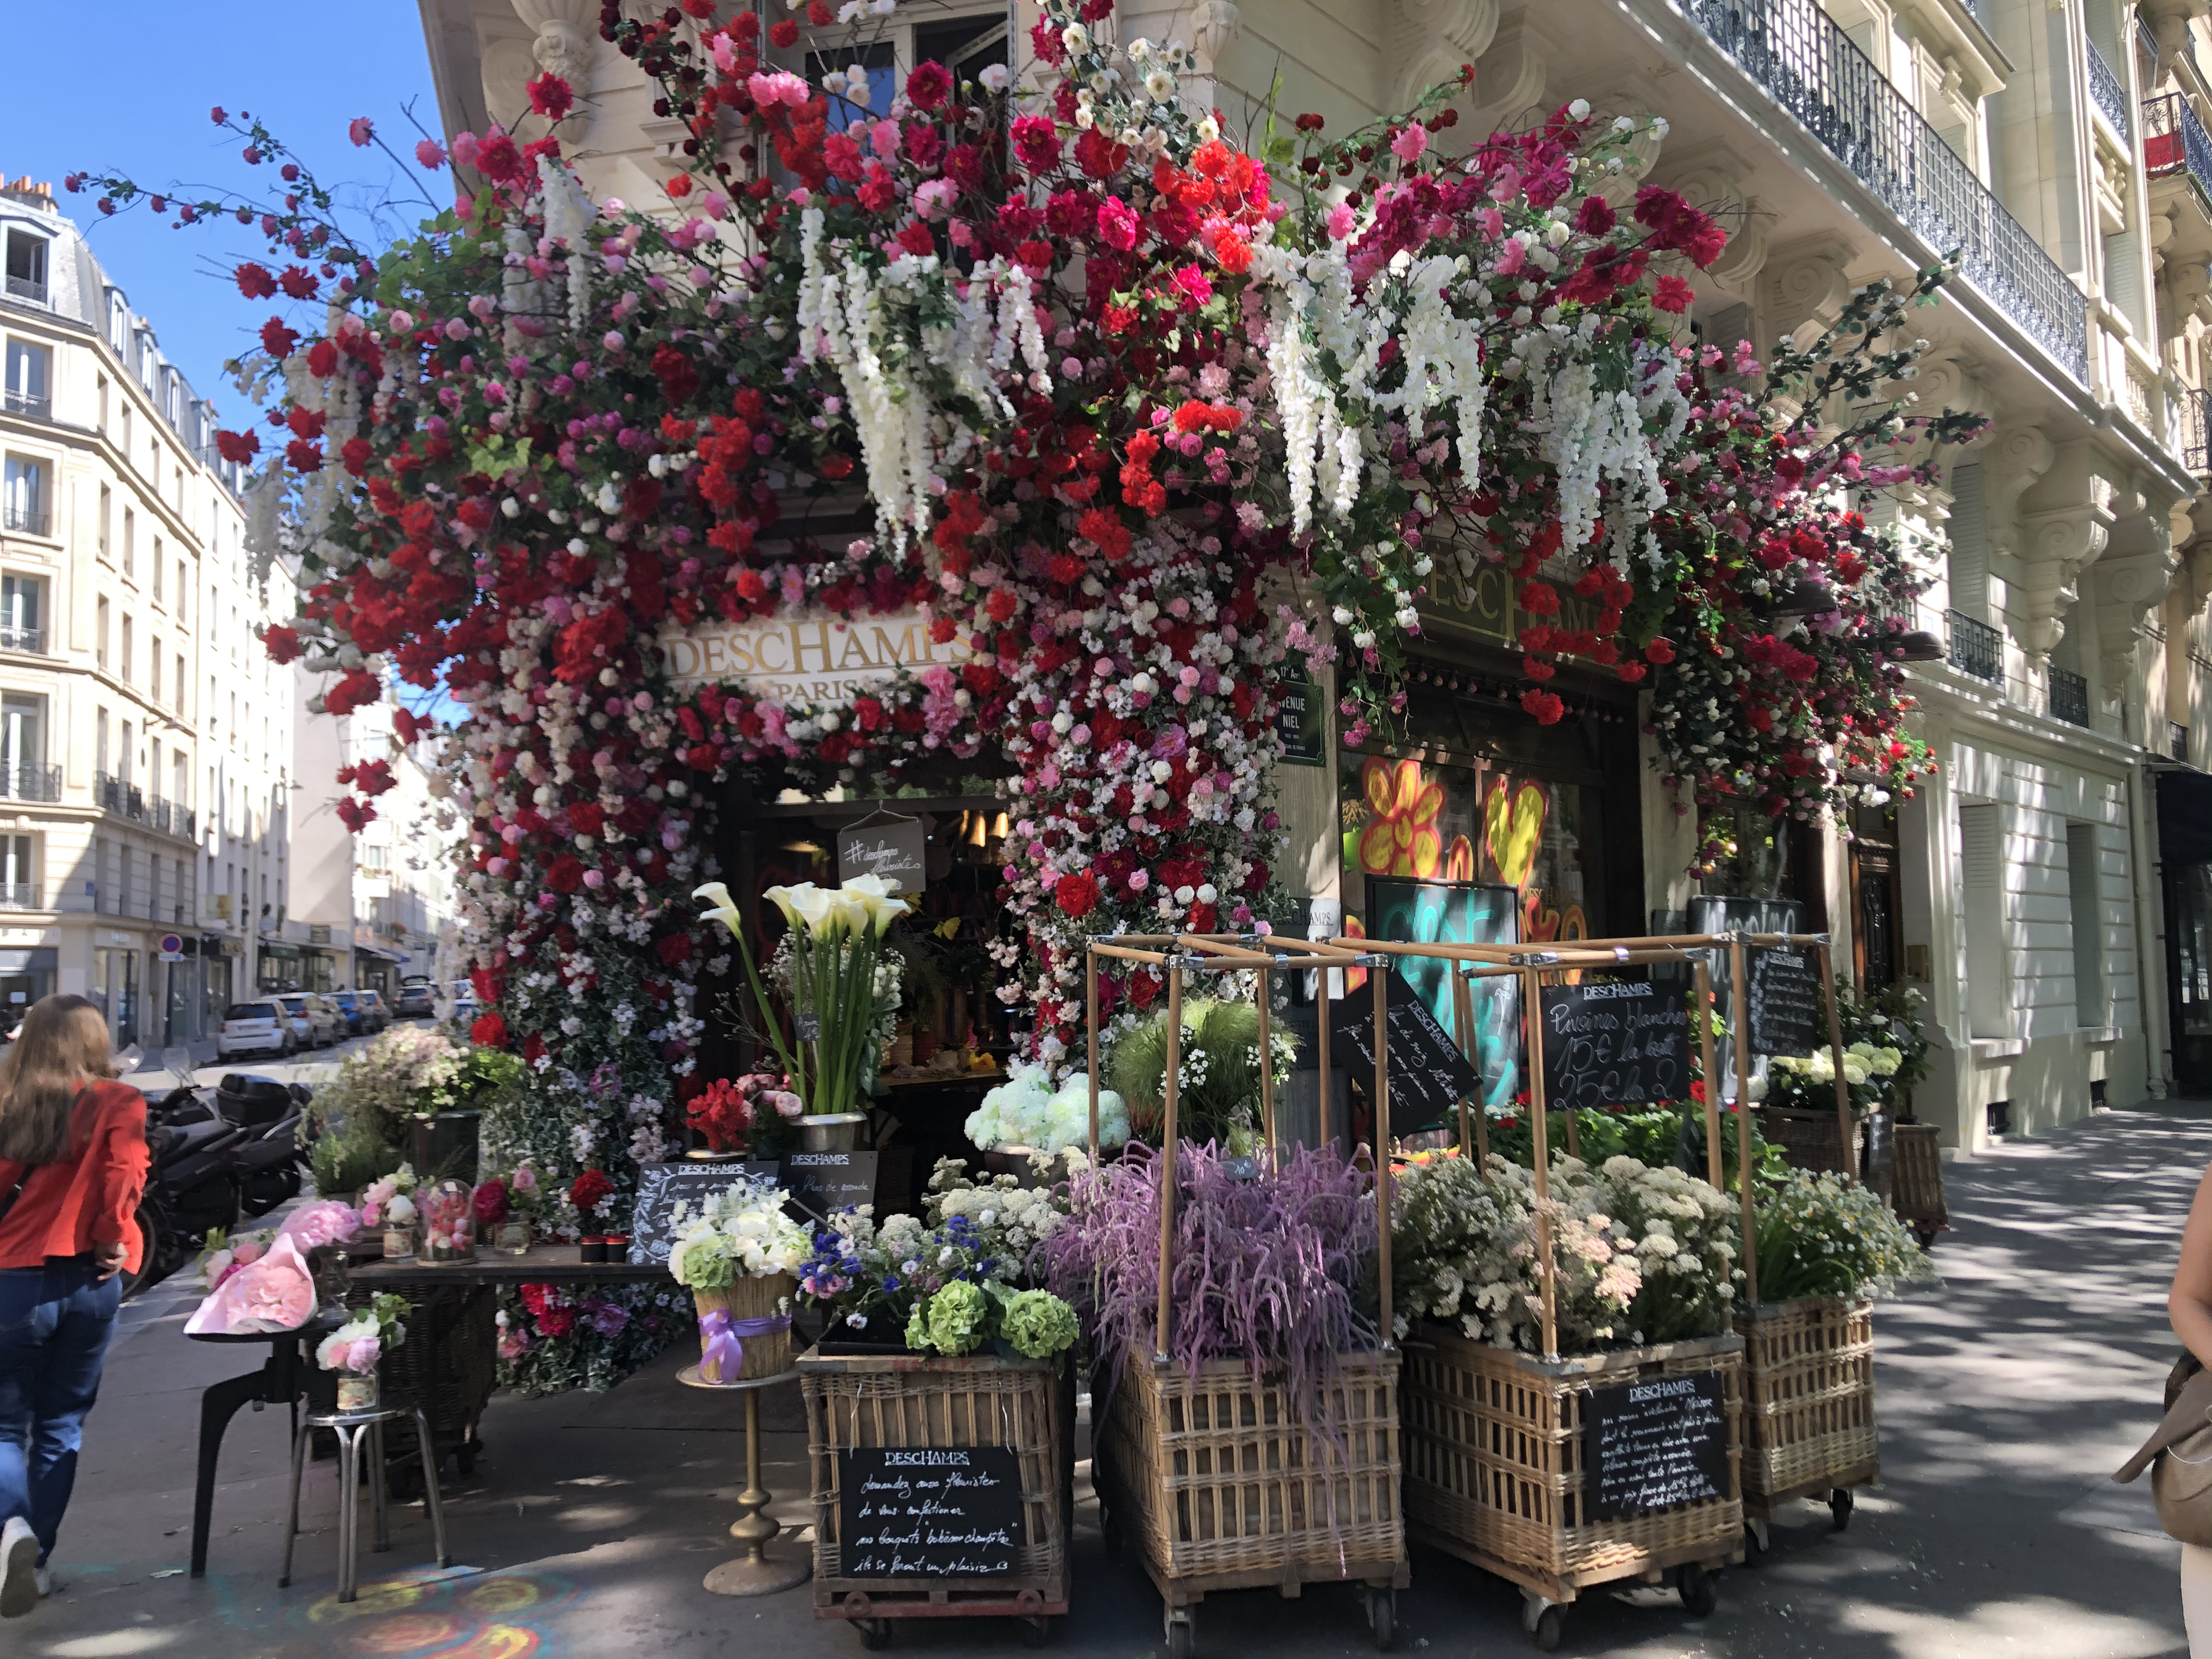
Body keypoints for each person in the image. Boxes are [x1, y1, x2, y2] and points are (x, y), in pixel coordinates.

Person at [0, 996, 147, 1618]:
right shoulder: (119, 1101)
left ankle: (11, 1527)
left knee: (6, 1425)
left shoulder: (8, 1104)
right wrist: (113, 1235)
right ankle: (36, 1561)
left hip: (11, 1280)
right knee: (61, 1425)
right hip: (89, 1278)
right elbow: (125, 1171)